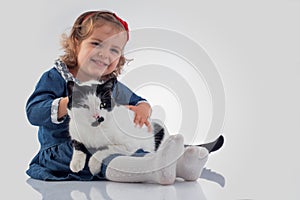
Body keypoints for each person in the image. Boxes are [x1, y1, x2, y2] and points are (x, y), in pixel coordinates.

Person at [25, 10, 213, 185]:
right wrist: (70, 102)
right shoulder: (56, 77)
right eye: (96, 43)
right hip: (63, 150)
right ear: (76, 42)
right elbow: (34, 112)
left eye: (114, 50)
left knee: (133, 141)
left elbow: (137, 100)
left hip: (106, 141)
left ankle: (182, 162)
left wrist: (142, 109)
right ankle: (153, 169)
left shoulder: (108, 84)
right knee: (98, 155)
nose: (104, 54)